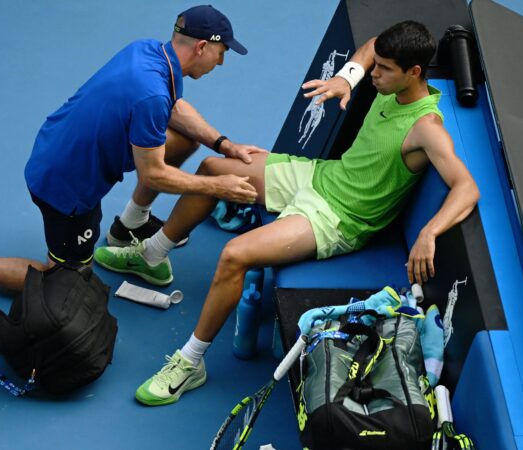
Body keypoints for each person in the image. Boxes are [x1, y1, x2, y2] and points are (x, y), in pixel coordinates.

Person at [94, 20, 480, 406]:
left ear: (414, 72)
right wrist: (347, 77)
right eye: (375, 66)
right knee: (212, 169)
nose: (374, 74)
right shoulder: (389, 76)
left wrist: (429, 232)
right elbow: (372, 45)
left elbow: (467, 188)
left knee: (234, 254)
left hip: (337, 218)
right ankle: (152, 256)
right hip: (321, 176)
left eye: (384, 69)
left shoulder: (426, 128)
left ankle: (190, 362)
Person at [0, 5, 266, 291]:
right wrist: (217, 187)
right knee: (66, 282)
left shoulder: (149, 53)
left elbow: (174, 108)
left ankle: (129, 226)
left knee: (184, 138)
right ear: (202, 47)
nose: (222, 62)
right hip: (66, 188)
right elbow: (154, 174)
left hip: (58, 147)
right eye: (222, 53)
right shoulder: (151, 93)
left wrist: (222, 144)